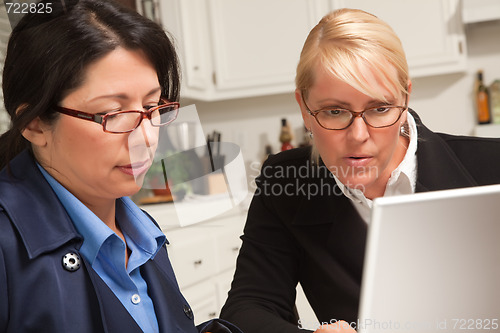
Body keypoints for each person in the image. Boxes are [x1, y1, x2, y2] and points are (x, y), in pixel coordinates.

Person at [220, 8, 500, 333]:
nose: (358, 137)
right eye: (334, 111)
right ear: (304, 109)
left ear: (405, 97)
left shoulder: (491, 165)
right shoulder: (287, 181)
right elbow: (246, 309)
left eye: (379, 108)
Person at [0, 1, 241, 332]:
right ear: (35, 123)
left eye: (153, 106)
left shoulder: (140, 230)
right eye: (115, 113)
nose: (147, 137)